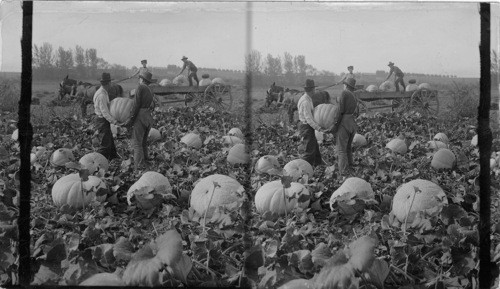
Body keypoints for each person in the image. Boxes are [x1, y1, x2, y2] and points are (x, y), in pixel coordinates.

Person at [124, 71, 156, 170]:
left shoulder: (140, 87)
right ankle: (146, 162)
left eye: (139, 78)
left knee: (137, 143)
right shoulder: (150, 89)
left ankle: (137, 168)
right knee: (143, 142)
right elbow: (153, 105)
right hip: (148, 117)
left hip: (140, 117)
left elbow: (136, 105)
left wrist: (130, 119)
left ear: (142, 79)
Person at [297, 79, 328, 167]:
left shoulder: (308, 98)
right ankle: (305, 169)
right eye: (314, 89)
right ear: (311, 89)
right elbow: (308, 119)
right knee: (309, 151)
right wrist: (319, 128)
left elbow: (311, 114)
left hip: (308, 126)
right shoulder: (305, 102)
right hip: (306, 126)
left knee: (314, 146)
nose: (315, 90)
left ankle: (318, 164)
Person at [331, 78, 358, 175]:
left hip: (344, 123)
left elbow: (340, 111)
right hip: (352, 122)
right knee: (348, 148)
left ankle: (343, 172)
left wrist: (335, 125)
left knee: (341, 150)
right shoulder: (354, 95)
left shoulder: (344, 93)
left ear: (346, 85)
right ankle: (350, 166)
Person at [93, 72, 121, 161]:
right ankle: (97, 162)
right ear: (108, 83)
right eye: (110, 83)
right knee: (105, 144)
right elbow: (105, 112)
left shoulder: (102, 92)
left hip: (102, 120)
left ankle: (114, 158)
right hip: (101, 121)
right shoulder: (101, 95)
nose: (111, 84)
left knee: (110, 142)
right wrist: (114, 122)